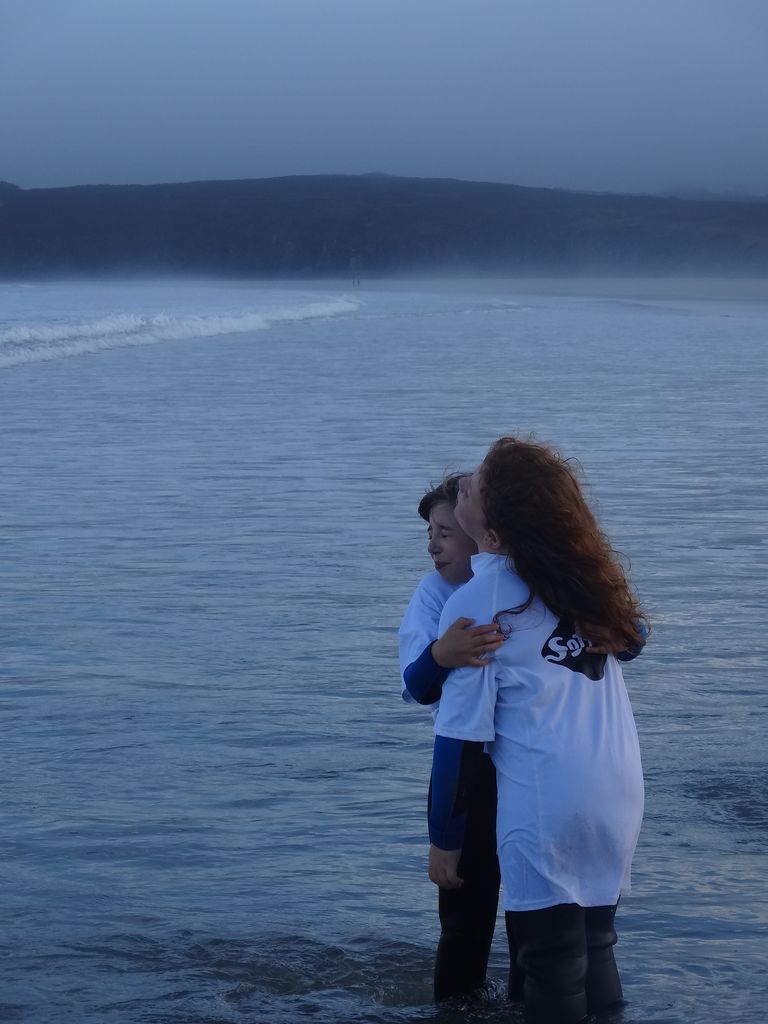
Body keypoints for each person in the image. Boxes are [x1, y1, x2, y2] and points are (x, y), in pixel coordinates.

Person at [427, 436, 647, 1024]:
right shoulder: (581, 580)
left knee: (551, 962)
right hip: (617, 788)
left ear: (494, 536)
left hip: (548, 799)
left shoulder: (482, 599)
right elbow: (636, 638)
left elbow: (459, 737)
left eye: (476, 486)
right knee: (596, 946)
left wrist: (445, 836)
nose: (463, 485)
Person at [398, 474, 504, 1000]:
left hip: (522, 765)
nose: (433, 546)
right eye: (430, 534)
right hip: (464, 768)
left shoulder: (513, 582)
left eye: (445, 533)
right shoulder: (432, 593)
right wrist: (442, 653)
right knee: (464, 918)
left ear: (481, 536)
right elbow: (417, 686)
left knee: (533, 918)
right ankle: (458, 1007)